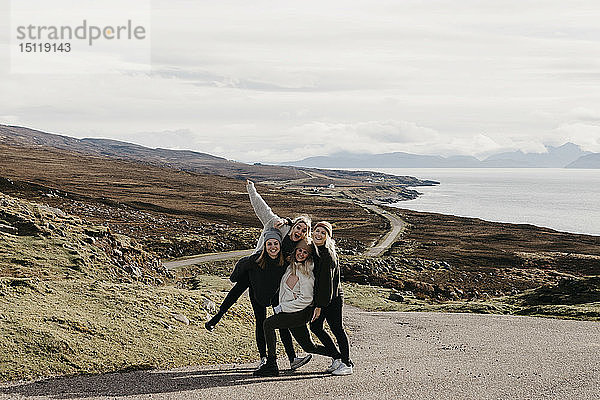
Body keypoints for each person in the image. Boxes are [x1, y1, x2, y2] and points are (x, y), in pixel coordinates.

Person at [204, 180, 312, 370]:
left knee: (280, 318)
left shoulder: (300, 243)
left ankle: (292, 358)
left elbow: (311, 256)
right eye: (298, 227)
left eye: (304, 231)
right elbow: (261, 208)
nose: (300, 232)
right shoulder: (276, 225)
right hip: (258, 272)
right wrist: (251, 189)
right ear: (293, 226)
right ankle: (263, 357)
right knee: (259, 317)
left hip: (276, 285)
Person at [255, 239, 338, 377]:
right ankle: (339, 355)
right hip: (293, 312)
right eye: (299, 250)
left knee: (268, 324)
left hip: (300, 313)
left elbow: (306, 299)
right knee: (308, 346)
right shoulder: (291, 266)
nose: (301, 254)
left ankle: (271, 364)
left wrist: (282, 307)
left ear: (309, 256)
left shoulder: (306, 273)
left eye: (305, 252)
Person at [310, 221, 354, 375]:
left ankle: (346, 363)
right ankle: (336, 357)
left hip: (332, 298)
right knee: (315, 327)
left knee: (337, 329)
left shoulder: (327, 254)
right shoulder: (318, 250)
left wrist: (319, 306)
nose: (319, 234)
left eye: (323, 233)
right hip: (325, 297)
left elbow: (326, 284)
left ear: (328, 237)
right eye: (317, 231)